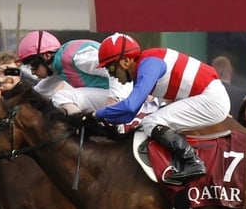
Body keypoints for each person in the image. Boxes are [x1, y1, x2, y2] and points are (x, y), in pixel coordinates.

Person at [93, 33, 230, 184]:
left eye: (110, 68)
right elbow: (128, 115)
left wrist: (95, 114)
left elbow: (130, 106)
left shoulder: (149, 65)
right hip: (208, 96)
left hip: (211, 99)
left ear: (126, 61)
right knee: (149, 123)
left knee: (151, 122)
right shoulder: (145, 65)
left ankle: (192, 162)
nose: (111, 75)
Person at [16, 31, 129, 114]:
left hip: (126, 94)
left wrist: (112, 102)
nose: (32, 71)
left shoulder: (77, 58)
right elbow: (38, 92)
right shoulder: (58, 67)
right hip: (119, 94)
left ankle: (84, 133)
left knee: (63, 96)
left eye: (33, 65)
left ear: (47, 56)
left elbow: (118, 68)